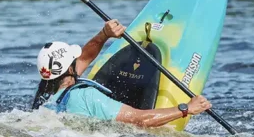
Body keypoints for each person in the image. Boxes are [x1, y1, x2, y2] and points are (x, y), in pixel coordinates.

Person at [32, 19, 212, 128]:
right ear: (70, 69)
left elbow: (84, 58)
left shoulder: (47, 96)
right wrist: (186, 109)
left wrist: (104, 34)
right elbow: (139, 120)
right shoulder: (87, 96)